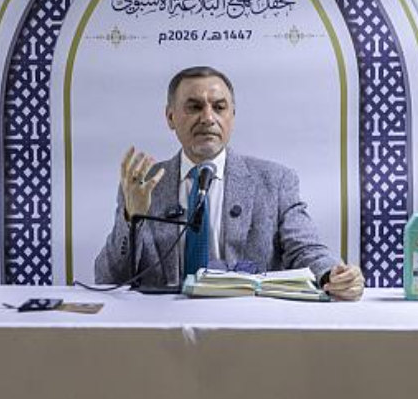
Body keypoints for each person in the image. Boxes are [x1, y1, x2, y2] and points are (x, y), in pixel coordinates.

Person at [94, 66, 364, 301]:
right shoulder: (143, 184)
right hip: (165, 326)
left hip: (248, 326)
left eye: (219, 107)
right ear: (170, 117)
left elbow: (305, 249)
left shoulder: (275, 181)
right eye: (194, 107)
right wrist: (131, 218)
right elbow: (109, 277)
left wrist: (332, 274)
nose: (207, 118)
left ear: (232, 116)